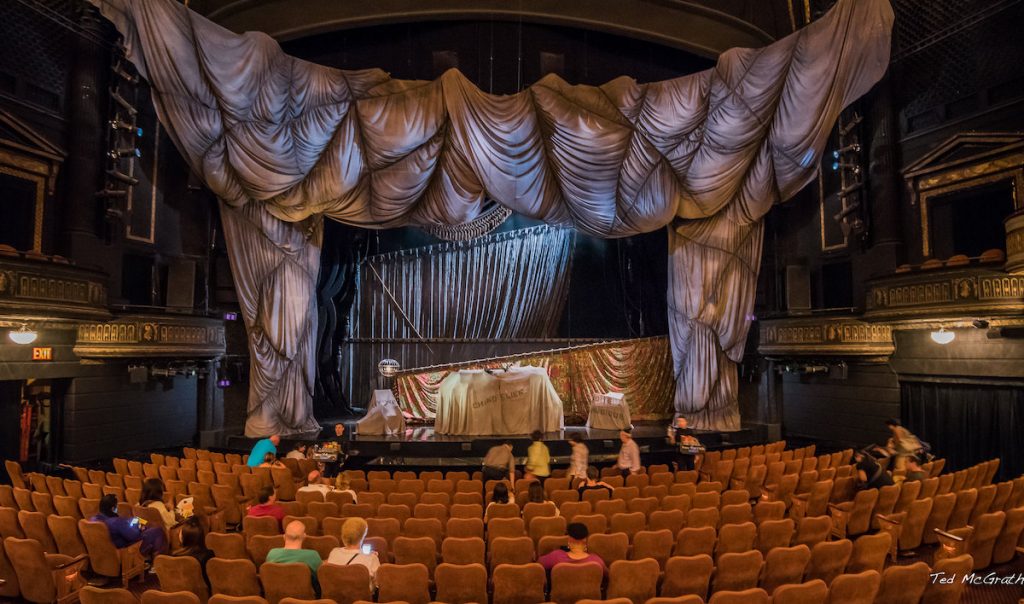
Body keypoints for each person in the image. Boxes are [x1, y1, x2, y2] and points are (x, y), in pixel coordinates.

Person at [91, 494, 167, 556]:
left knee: (135, 520)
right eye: (116, 506)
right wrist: (139, 527)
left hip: (108, 551)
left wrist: (128, 523)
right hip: (125, 550)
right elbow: (134, 536)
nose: (117, 508)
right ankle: (157, 563)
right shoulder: (116, 521)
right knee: (157, 531)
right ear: (112, 508)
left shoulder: (93, 520)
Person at [267, 520, 322, 594]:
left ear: (284, 536)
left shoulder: (272, 554)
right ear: (304, 536)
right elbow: (320, 581)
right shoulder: (312, 555)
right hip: (306, 599)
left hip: (278, 597)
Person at [326, 517, 380, 589]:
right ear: (363, 535)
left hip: (336, 596)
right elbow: (378, 583)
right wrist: (371, 557)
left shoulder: (334, 552)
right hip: (362, 598)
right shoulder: (371, 557)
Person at [537, 522, 607, 576]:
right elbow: (607, 575)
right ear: (585, 540)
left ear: (569, 539)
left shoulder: (556, 556)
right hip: (591, 595)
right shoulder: (596, 561)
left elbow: (539, 563)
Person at [173, 518, 212, 583]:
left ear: (183, 537)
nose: (178, 534)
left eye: (180, 532)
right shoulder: (208, 555)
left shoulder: (174, 557)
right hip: (202, 592)